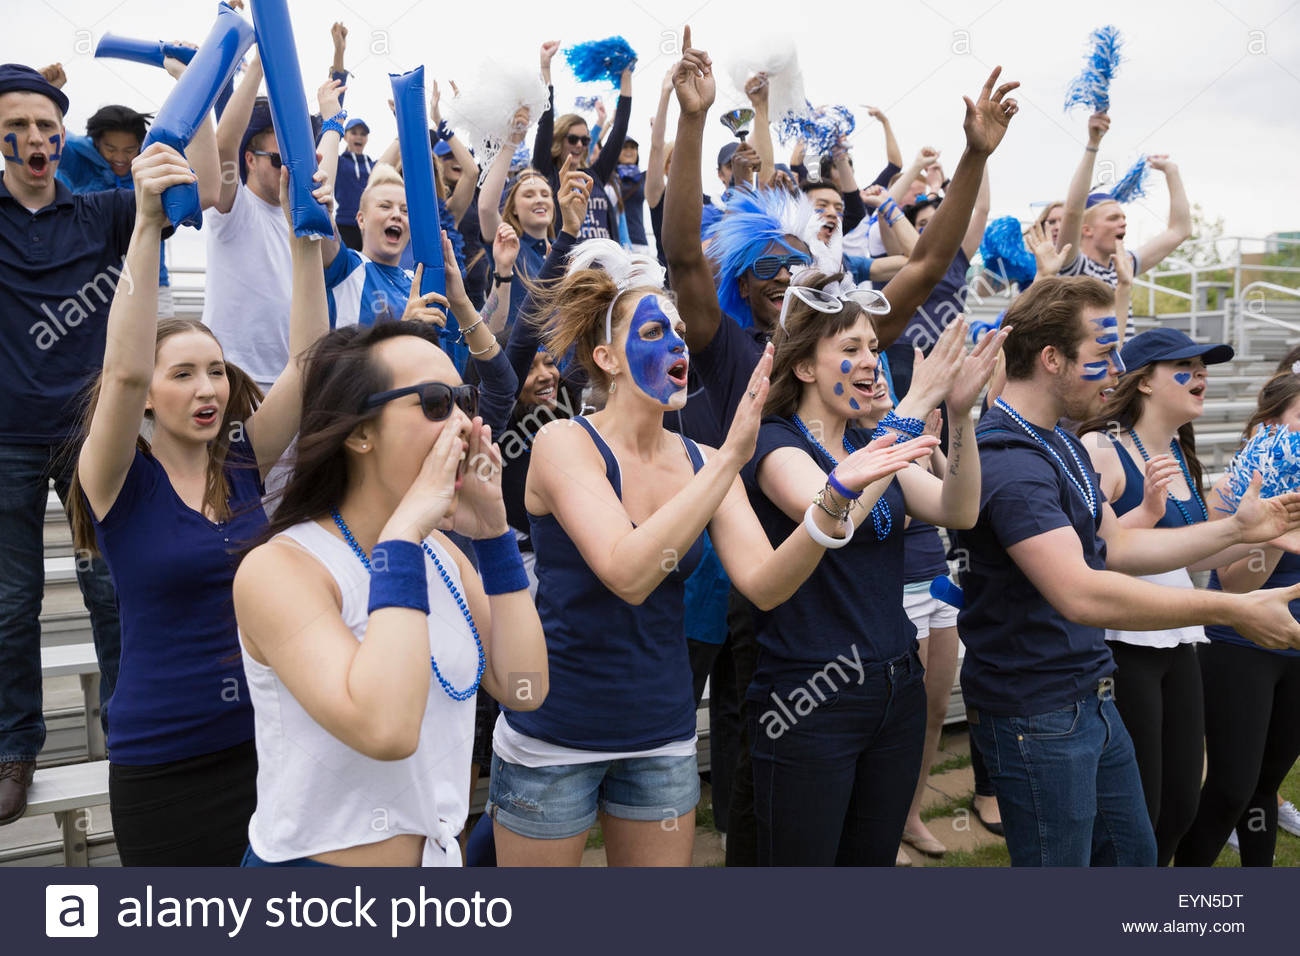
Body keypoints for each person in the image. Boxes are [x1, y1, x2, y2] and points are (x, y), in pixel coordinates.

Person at [486, 236, 933, 867]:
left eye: (677, 329)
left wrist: (834, 497)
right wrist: (728, 461)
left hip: (662, 738)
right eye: (653, 331)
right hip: (557, 735)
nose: (676, 342)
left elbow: (767, 583)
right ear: (607, 358)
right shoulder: (565, 441)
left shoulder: (699, 459)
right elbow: (627, 572)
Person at [955, 275, 1300, 867]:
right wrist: (1232, 607)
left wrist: (1241, 529)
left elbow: (1115, 547)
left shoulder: (1059, 440)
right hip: (1036, 713)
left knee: (1136, 856)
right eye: (1104, 355)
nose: (1118, 369)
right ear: (1052, 358)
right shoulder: (1009, 458)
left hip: (1091, 692)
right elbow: (1080, 592)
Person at [65, 144, 326, 863]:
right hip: (163, 766)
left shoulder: (244, 461)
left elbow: (307, 364)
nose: (208, 389)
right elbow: (118, 373)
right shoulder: (117, 479)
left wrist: (306, 234)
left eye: (216, 371)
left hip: (267, 745)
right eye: (182, 374)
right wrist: (147, 226)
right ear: (150, 394)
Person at [232, 313, 547, 867]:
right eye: (433, 403)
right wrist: (402, 533)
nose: (463, 425)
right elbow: (385, 728)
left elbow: (525, 689)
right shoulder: (281, 567)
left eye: (463, 399)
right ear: (359, 431)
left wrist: (495, 535)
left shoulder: (443, 554)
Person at [0, 62, 219, 825]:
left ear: (63, 137)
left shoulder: (99, 212)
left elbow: (207, 193)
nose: (35, 137)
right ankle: (13, 746)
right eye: (17, 125)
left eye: (45, 124)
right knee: (11, 599)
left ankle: (134, 728)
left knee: (108, 589)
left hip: (96, 439)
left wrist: (199, 87)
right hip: (6, 441)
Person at [742, 274, 1005, 865]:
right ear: (806, 367)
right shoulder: (776, 443)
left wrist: (958, 416)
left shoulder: (871, 439)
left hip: (894, 685)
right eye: (851, 349)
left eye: (874, 348)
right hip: (810, 697)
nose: (870, 361)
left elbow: (959, 509)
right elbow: (835, 520)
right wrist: (911, 408)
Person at [1076, 328, 1237, 865]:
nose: (1202, 377)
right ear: (1144, 381)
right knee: (1133, 811)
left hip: (1180, 643)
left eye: (1205, 368)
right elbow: (1090, 554)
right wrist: (1144, 511)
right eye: (1186, 368)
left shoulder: (1180, 455)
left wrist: (1257, 529)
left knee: (1179, 808)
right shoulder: (1100, 447)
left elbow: (1194, 559)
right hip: (1122, 647)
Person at [1175, 371, 1300, 867]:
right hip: (1240, 649)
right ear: (1271, 424)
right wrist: (1272, 536)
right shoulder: (1234, 488)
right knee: (1230, 789)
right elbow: (1233, 584)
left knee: (1266, 786)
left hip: (1297, 651)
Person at [1055, 111, 1191, 287]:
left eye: (1123, 217)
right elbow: (1073, 212)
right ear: (1087, 229)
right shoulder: (1072, 265)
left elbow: (1180, 231)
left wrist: (1171, 171)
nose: (1123, 222)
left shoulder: (1123, 266)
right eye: (1113, 218)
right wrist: (1093, 144)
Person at [532, 41, 630, 240]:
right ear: (558, 141)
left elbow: (619, 129)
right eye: (573, 139)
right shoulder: (546, 174)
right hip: (568, 266)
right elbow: (545, 123)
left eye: (585, 140)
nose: (579, 145)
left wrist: (626, 76)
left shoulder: (595, 174)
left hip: (604, 265)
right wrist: (545, 67)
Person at [477, 109, 560, 337]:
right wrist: (512, 143)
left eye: (545, 194)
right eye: (529, 194)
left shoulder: (563, 251)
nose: (540, 199)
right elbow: (485, 208)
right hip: (525, 365)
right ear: (513, 206)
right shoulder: (509, 245)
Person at [334, 117, 374, 251]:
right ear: (344, 136)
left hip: (369, 227)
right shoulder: (339, 162)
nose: (359, 137)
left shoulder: (373, 165)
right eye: (354, 133)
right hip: (344, 226)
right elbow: (319, 147)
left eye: (363, 134)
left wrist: (397, 114)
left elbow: (399, 156)